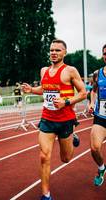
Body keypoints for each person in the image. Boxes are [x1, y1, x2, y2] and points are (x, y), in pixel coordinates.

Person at [22, 39, 87, 200]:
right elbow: (44, 89)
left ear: (65, 53)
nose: (53, 52)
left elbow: (83, 93)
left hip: (65, 120)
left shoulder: (70, 71)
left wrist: (66, 102)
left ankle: (72, 137)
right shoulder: (44, 71)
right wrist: (31, 89)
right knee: (44, 157)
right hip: (47, 119)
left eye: (58, 50)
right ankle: (46, 195)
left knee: (66, 159)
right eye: (51, 50)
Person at [89, 44, 106, 186]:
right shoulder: (97, 73)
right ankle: (101, 168)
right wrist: (91, 103)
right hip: (101, 116)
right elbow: (93, 91)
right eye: (105, 53)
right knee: (94, 148)